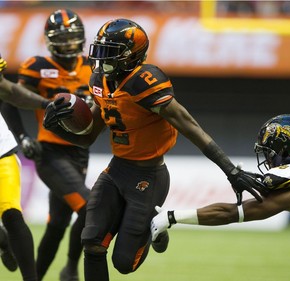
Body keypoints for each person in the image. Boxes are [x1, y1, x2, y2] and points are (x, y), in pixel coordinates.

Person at [42, 18, 265, 281]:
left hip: (149, 176)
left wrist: (231, 171)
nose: (101, 59)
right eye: (100, 50)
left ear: (130, 55)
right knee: (91, 242)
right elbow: (87, 137)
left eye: (109, 51)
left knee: (124, 263)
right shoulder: (99, 81)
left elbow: (189, 125)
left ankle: (152, 225)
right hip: (116, 171)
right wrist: (57, 127)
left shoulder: (144, 81)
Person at [151, 114, 290, 262]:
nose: (268, 158)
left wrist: (173, 217)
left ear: (286, 151)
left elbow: (234, 213)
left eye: (270, 151)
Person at [2, 9, 92, 281]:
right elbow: (9, 99)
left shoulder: (93, 66)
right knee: (90, 209)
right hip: (50, 152)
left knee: (58, 225)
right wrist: (23, 137)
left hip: (80, 152)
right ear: (50, 41)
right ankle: (72, 269)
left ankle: (42, 275)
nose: (67, 44)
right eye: (61, 39)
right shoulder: (37, 65)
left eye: (71, 38)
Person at [0, 56, 49, 280]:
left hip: (0, 153)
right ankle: (2, 240)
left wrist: (45, 104)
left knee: (11, 213)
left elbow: (9, 91)